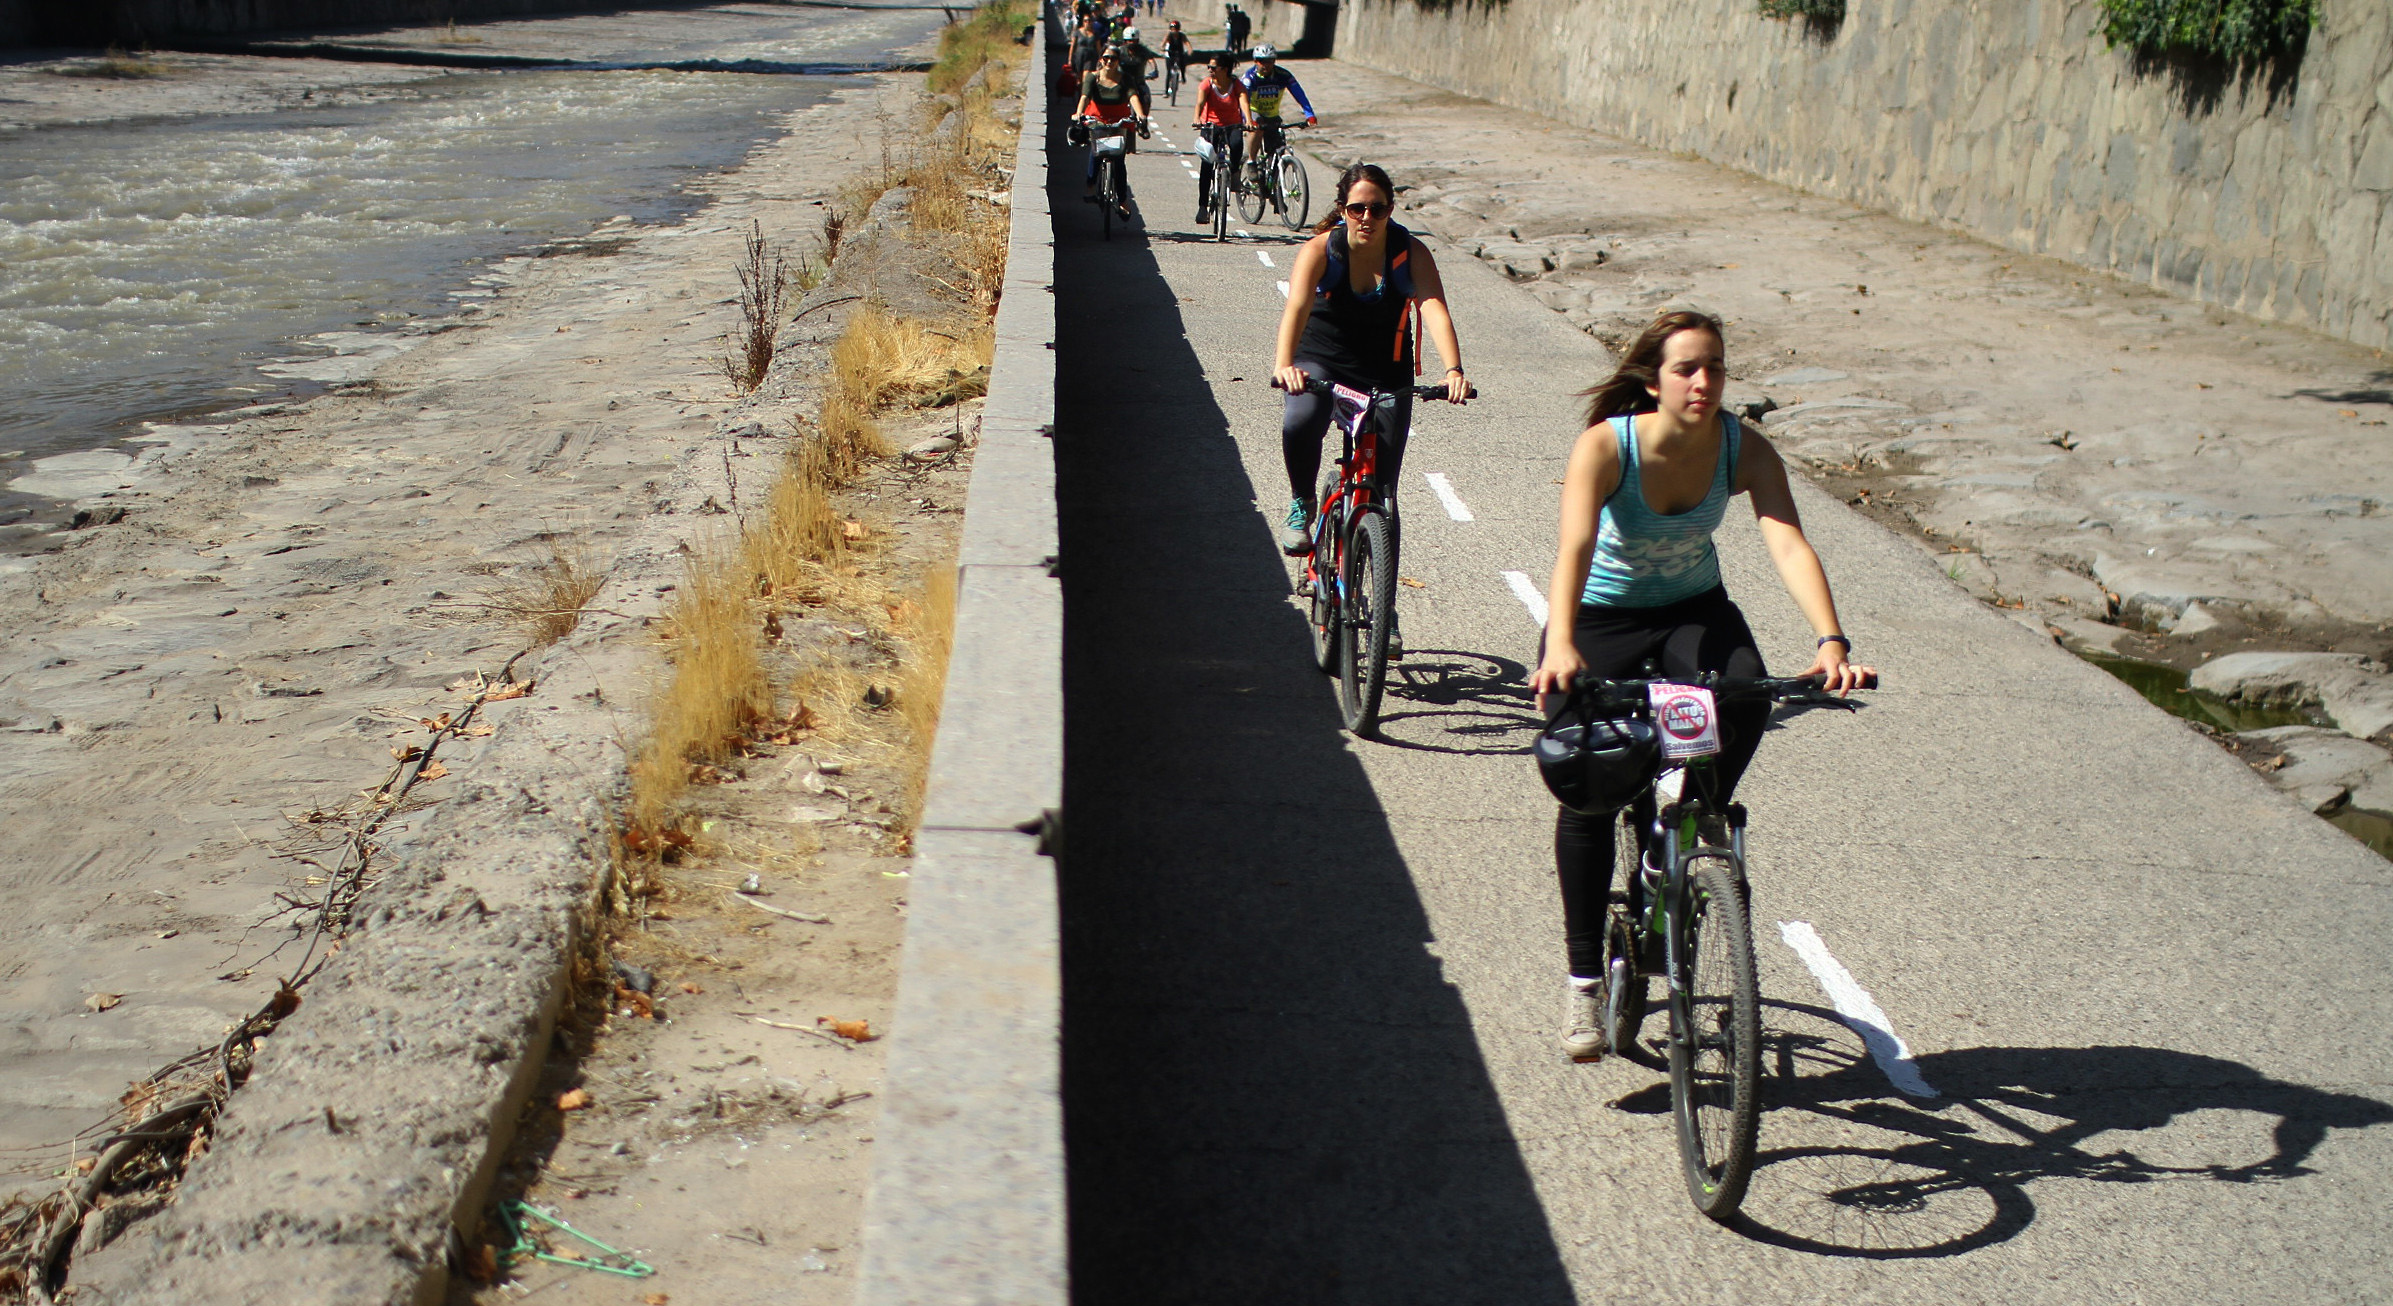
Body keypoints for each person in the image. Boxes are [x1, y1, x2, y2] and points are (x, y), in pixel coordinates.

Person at [1527, 309, 1875, 1061]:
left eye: (1714, 366)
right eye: (1687, 368)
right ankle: (1583, 984)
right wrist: (1559, 644)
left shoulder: (1739, 447)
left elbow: (1784, 537)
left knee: (1747, 694)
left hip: (1692, 613)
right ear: (1652, 379)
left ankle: (1686, 821)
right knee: (1588, 783)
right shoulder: (1607, 446)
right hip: (1601, 619)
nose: (1704, 381)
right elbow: (1576, 546)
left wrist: (1830, 639)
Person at [1271, 163, 1467, 562]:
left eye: (1378, 209)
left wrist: (1453, 371)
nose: (1367, 218)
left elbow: (1433, 309)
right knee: (1300, 420)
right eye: (1358, 208)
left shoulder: (1409, 252)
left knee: (1383, 497)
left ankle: (1380, 599)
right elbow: (1296, 307)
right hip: (1322, 361)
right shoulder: (1321, 250)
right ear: (1343, 209)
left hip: (1385, 370)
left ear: (1390, 210)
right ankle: (1302, 501)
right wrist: (1284, 364)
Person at [1075, 46, 1149, 219]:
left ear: (1118, 61)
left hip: (1119, 121)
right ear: (1101, 59)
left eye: (1113, 59)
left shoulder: (1125, 79)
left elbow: (1133, 97)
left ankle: (1122, 200)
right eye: (1106, 58)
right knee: (1096, 151)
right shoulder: (1092, 78)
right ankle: (1091, 186)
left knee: (1119, 160)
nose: (1109, 61)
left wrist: (1140, 115)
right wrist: (1079, 112)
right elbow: (1085, 97)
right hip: (1097, 119)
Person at [1239, 43, 1315, 199]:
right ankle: (1252, 162)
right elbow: (1242, 101)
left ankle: (1274, 187)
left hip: (1272, 115)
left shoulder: (1284, 75)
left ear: (1274, 61)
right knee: (1257, 127)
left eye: (1269, 60)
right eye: (1261, 61)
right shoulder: (1249, 78)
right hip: (1252, 112)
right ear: (1255, 61)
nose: (1265, 64)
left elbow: (1299, 94)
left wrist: (1309, 114)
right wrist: (1247, 120)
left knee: (1278, 149)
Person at [1190, 53, 1245, 223]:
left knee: (1236, 145)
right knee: (1207, 165)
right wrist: (1197, 118)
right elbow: (1200, 103)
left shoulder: (1236, 85)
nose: (1210, 70)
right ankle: (1202, 207)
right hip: (1210, 126)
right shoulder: (1207, 83)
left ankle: (1234, 173)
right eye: (1209, 67)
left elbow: (1244, 102)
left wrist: (1249, 121)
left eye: (1213, 67)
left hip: (1232, 125)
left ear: (1225, 69)